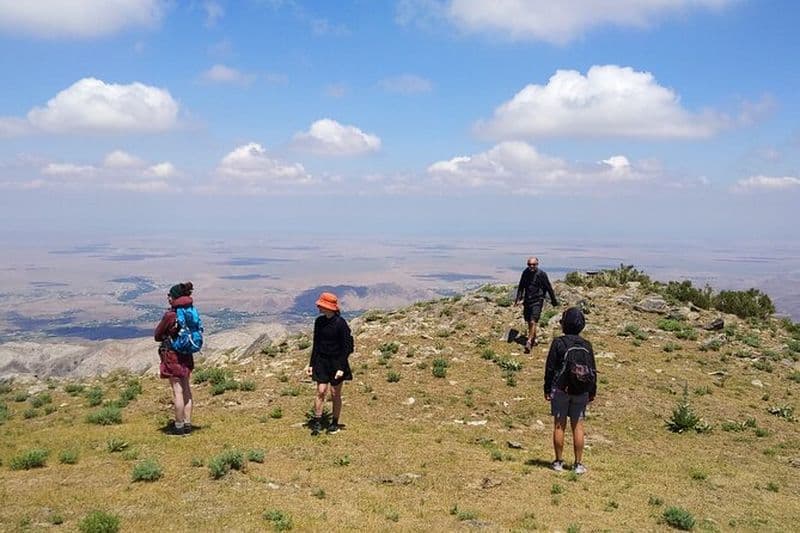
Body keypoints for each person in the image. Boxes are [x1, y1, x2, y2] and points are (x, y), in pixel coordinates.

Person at [543, 307, 597, 474]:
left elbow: (550, 368)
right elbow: (593, 370)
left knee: (559, 426)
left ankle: (558, 462)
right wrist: (592, 391)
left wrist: (547, 388)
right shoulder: (586, 345)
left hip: (561, 389)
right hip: (581, 391)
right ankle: (578, 464)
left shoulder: (559, 343)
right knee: (578, 427)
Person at [305, 292, 354, 435]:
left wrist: (341, 367)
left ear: (328, 307)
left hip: (337, 361)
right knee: (320, 391)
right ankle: (317, 422)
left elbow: (347, 347)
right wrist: (311, 364)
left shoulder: (341, 323)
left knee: (335, 393)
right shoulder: (319, 322)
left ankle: (334, 422)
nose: (319, 307)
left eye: (321, 305)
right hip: (321, 360)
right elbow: (316, 343)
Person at [154, 282, 198, 436]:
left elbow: (157, 335)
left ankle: (178, 426)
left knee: (177, 391)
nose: (168, 297)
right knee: (186, 388)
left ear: (174, 297)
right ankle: (187, 423)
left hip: (172, 355)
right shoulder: (190, 311)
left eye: (170, 295)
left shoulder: (171, 315)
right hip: (187, 353)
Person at [515, 256, 558, 353]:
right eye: (529, 264)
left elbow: (548, 287)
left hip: (537, 300)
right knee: (528, 320)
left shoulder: (541, 274)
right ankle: (533, 338)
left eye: (533, 264)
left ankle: (529, 342)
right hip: (527, 300)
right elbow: (521, 286)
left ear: (537, 265)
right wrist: (518, 299)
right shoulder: (525, 273)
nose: (531, 266)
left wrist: (553, 300)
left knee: (533, 320)